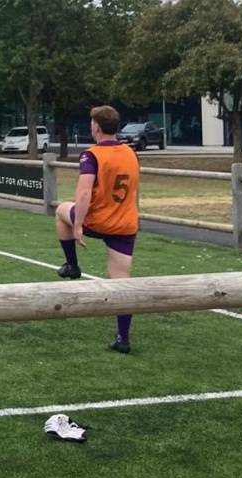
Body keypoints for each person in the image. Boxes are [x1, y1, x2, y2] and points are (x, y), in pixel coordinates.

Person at [54, 105, 140, 354]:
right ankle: (123, 337)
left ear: (97, 127)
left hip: (98, 220)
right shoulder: (130, 153)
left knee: (61, 211)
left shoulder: (91, 155)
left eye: (92, 123)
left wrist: (78, 224)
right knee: (121, 281)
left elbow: (83, 192)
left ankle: (72, 265)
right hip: (125, 224)